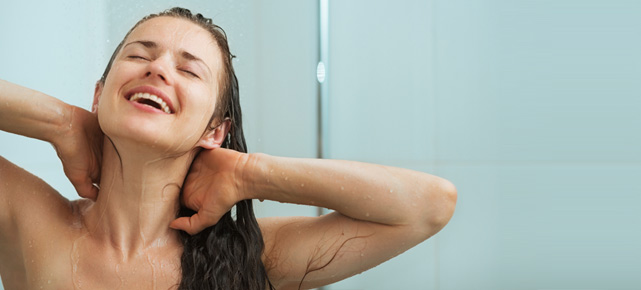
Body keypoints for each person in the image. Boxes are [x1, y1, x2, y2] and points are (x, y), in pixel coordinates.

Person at [0, 7, 457, 290]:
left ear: (215, 130)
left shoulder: (251, 256)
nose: (158, 69)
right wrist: (58, 120)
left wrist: (249, 173)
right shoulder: (30, 221)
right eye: (140, 54)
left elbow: (429, 206)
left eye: (190, 70)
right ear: (100, 96)